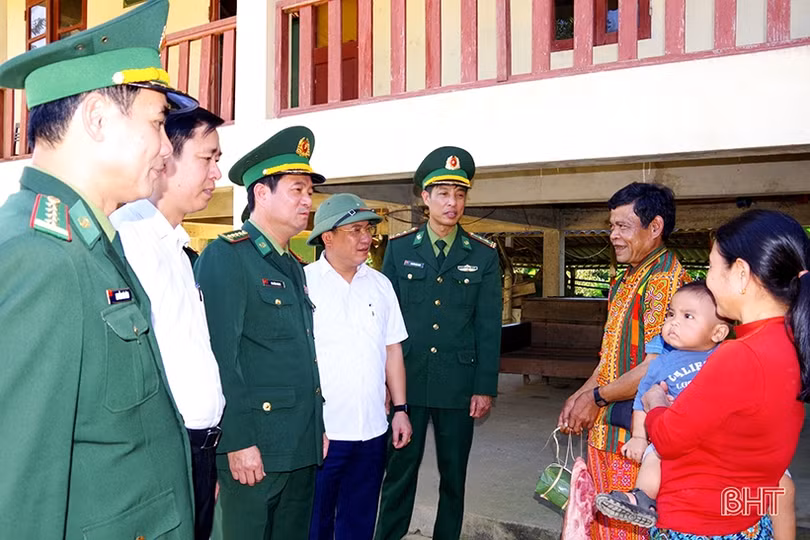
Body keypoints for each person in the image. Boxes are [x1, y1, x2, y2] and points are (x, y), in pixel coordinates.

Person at [0, 1, 199, 537]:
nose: (165, 147)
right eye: (158, 124)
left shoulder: (89, 241)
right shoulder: (40, 259)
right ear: (96, 118)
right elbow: (19, 490)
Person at [194, 125, 327, 540]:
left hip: (299, 445)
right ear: (261, 194)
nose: (308, 200)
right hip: (255, 449)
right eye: (297, 189)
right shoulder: (227, 256)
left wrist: (316, 427)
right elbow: (219, 356)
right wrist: (237, 440)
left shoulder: (292, 265)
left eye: (309, 191)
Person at [641, 209, 808, 540]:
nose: (708, 280)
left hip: (698, 524)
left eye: (712, 268)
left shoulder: (741, 355)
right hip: (743, 517)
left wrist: (655, 403)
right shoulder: (792, 341)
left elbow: (669, 439)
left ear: (741, 273)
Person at [110, 106, 226, 540]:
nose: (217, 172)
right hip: (163, 450)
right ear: (166, 157)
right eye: (207, 157)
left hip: (198, 447)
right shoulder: (131, 242)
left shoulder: (176, 248)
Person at [375, 147, 502, 540]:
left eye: (460, 195)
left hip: (458, 386)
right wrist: (384, 382)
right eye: (443, 194)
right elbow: (385, 323)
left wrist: (484, 387)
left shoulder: (482, 256)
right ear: (425, 198)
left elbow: (487, 326)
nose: (453, 203)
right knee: (399, 474)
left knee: (453, 477)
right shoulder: (398, 249)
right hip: (408, 383)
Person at [557, 182, 690, 540]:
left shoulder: (664, 283)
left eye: (623, 227)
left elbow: (655, 368)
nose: (613, 235)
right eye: (611, 226)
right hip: (609, 431)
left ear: (655, 227)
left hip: (637, 441)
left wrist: (596, 398)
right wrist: (580, 396)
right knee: (602, 524)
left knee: (628, 528)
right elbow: (610, 354)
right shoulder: (626, 277)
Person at [304, 193, 413, 540]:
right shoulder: (304, 283)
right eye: (354, 230)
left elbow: (392, 349)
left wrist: (400, 409)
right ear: (328, 237)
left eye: (368, 229)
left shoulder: (380, 285)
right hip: (323, 434)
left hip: (370, 432)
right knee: (314, 524)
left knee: (359, 523)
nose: (365, 238)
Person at [594, 282, 731, 526]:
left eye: (687, 316)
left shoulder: (726, 357)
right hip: (672, 435)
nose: (673, 322)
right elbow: (641, 401)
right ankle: (642, 499)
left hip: (716, 439)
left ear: (718, 333)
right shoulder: (660, 365)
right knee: (653, 456)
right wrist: (638, 437)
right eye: (670, 314)